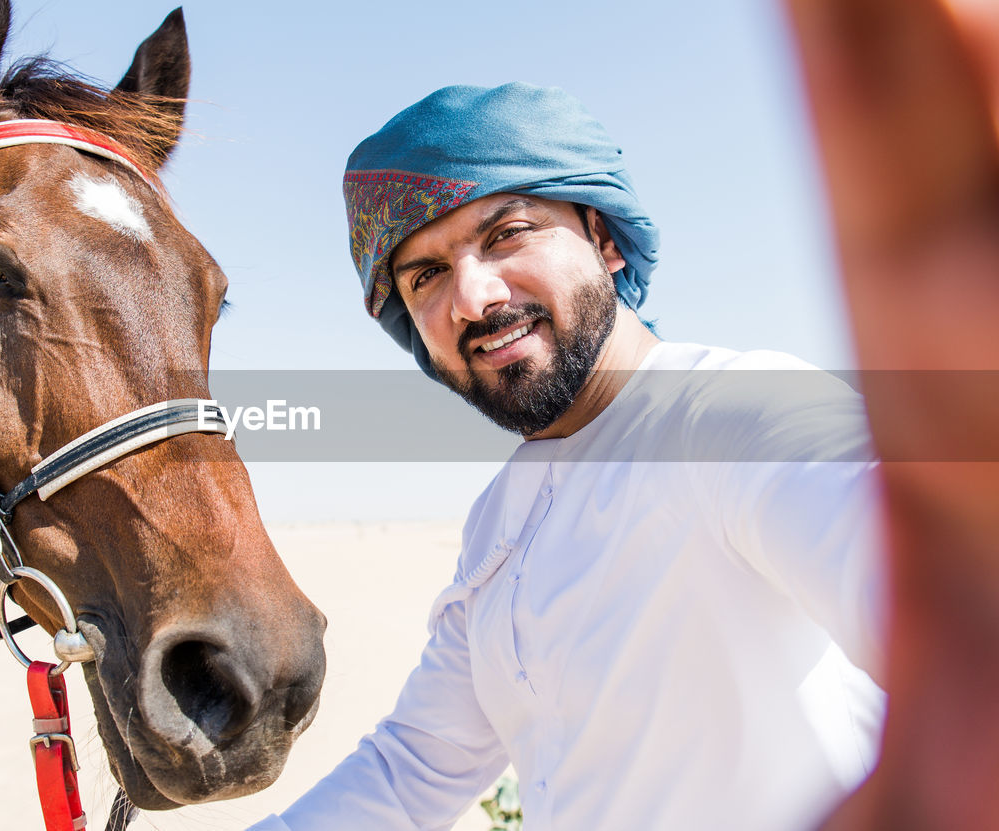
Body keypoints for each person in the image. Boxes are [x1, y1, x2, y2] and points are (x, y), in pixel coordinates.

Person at [251, 82, 887, 831]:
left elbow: (942, 624)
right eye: (425, 275)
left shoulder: (730, 414)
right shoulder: (498, 522)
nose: (474, 296)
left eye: (507, 233)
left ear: (603, 237)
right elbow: (413, 770)